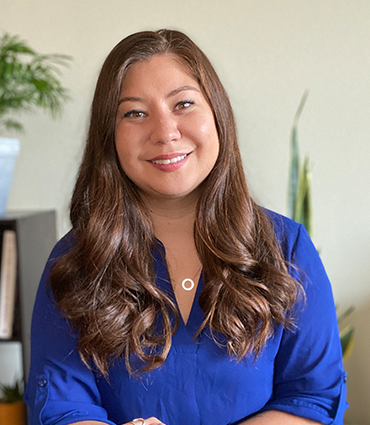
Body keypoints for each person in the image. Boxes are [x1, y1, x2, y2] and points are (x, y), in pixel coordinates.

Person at [24, 29, 347, 425]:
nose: (165, 132)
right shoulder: (75, 261)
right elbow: (60, 407)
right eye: (135, 113)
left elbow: (311, 398)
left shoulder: (286, 247)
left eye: (183, 104)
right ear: (109, 136)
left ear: (217, 114)